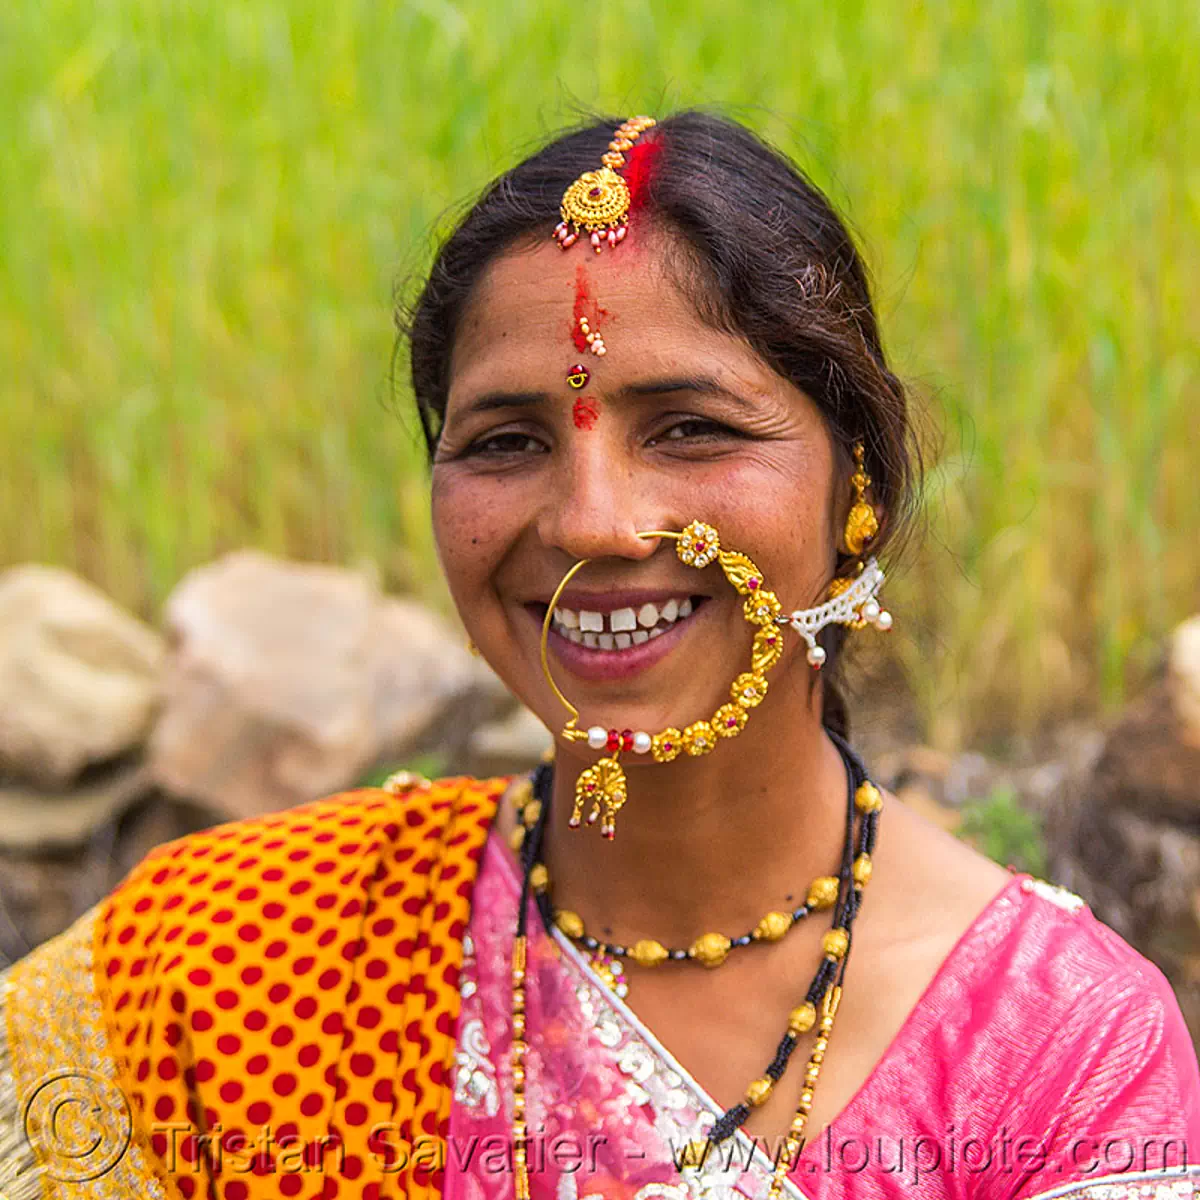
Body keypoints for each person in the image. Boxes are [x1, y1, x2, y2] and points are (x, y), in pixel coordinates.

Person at [1, 110, 1197, 1200]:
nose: (589, 523)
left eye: (690, 429)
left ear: (858, 494)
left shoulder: (1061, 1058)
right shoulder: (232, 972)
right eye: (505, 441)